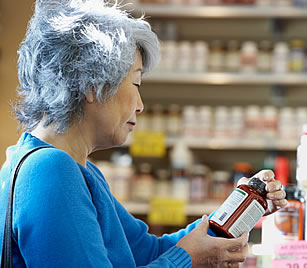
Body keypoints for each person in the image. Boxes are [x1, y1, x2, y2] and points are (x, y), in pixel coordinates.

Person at [0, 0, 288, 267]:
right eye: (136, 84)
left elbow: (146, 252)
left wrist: (239, 208)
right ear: (90, 84)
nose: (140, 106)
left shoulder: (76, 169)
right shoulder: (50, 171)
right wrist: (185, 261)